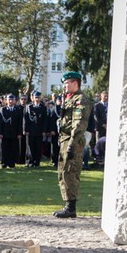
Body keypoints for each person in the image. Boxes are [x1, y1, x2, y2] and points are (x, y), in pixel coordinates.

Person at [53, 72, 91, 218]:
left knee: (70, 172)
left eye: (67, 83)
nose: (64, 86)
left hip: (73, 140)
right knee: (63, 172)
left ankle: (71, 207)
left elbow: (79, 124)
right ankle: (67, 204)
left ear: (75, 83)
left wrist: (72, 144)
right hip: (64, 139)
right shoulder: (69, 98)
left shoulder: (80, 100)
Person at [0, 93, 23, 168]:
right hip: (4, 133)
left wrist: (19, 133)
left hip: (14, 133)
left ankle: (11, 163)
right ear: (6, 101)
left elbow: (20, 123)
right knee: (4, 148)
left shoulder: (18, 110)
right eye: (9, 99)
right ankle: (3, 163)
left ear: (15, 101)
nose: (10, 101)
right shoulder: (2, 110)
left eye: (12, 100)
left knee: (13, 148)